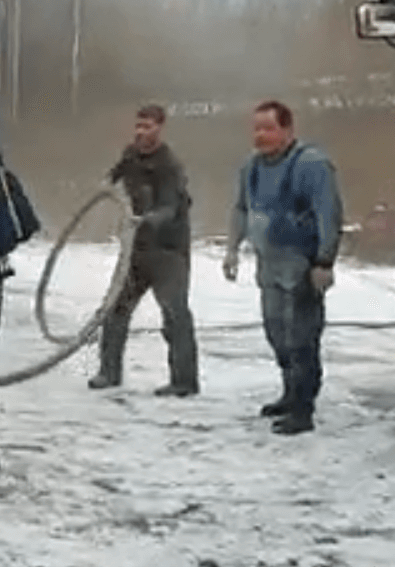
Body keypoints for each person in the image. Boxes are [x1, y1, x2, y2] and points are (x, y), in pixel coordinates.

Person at [222, 100, 344, 435]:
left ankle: (303, 409)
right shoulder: (252, 167)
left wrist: (324, 261)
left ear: (288, 130)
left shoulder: (311, 165)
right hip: (269, 265)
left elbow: (328, 214)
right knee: (276, 333)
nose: (260, 135)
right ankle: (289, 394)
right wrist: (232, 249)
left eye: (269, 128)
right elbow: (241, 209)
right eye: (256, 128)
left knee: (302, 336)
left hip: (302, 265)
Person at [89, 104, 199, 397]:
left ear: (160, 128)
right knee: (115, 309)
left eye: (147, 127)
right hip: (136, 251)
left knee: (175, 315)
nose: (141, 132)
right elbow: (114, 175)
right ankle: (108, 372)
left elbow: (172, 208)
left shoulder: (170, 166)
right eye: (138, 126)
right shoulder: (131, 155)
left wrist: (145, 220)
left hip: (168, 251)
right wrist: (106, 186)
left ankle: (184, 381)